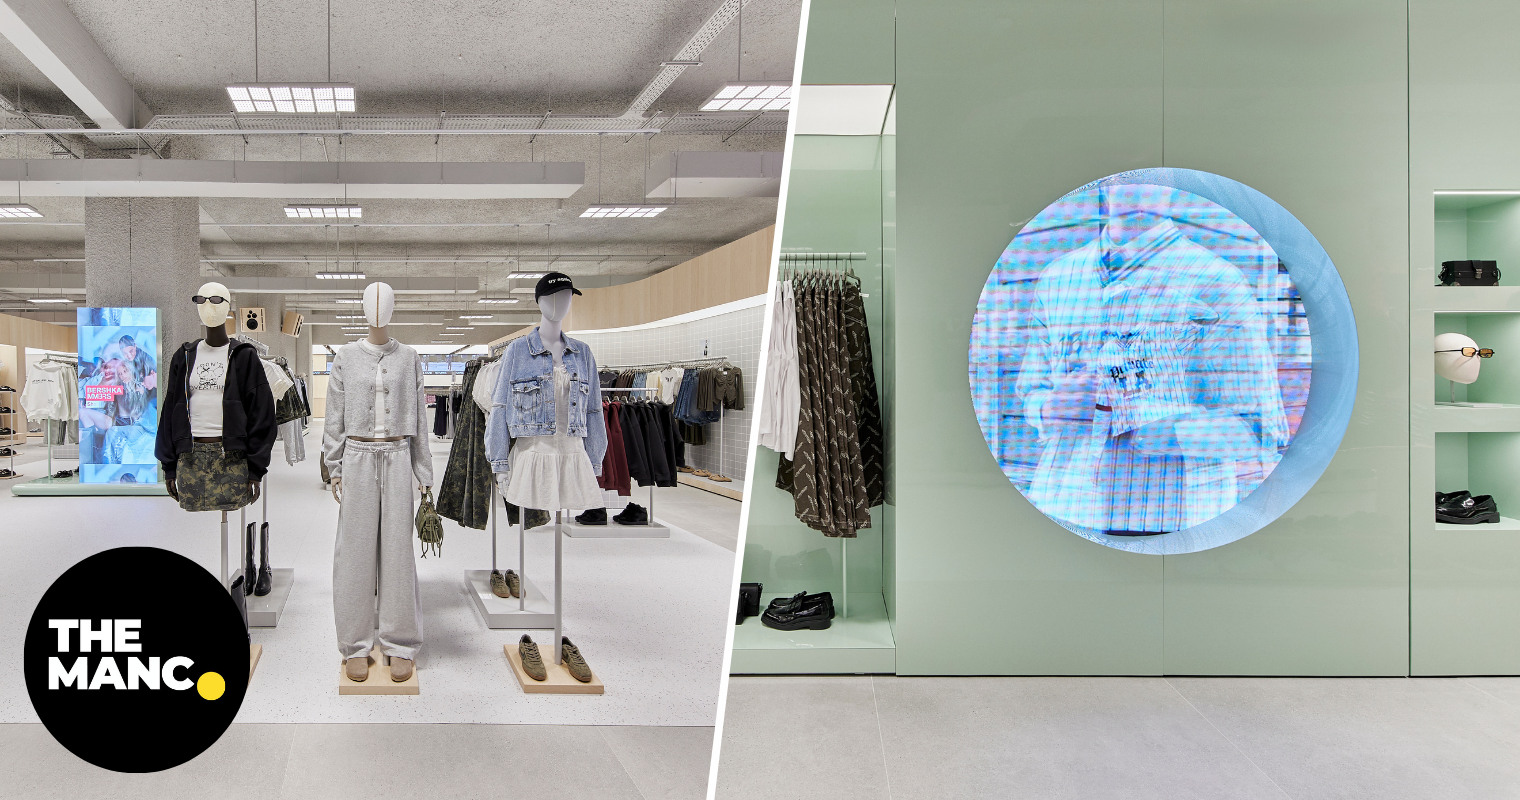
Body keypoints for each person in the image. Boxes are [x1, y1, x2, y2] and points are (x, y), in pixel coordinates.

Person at [1015, 186, 1289, 536]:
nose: (1137, 187)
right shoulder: (1057, 279)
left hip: (1173, 520)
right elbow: (1031, 392)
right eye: (1126, 174)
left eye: (1150, 175)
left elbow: (1262, 428)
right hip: (1065, 509)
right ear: (1107, 184)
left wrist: (1160, 429)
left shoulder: (1217, 281)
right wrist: (1050, 408)